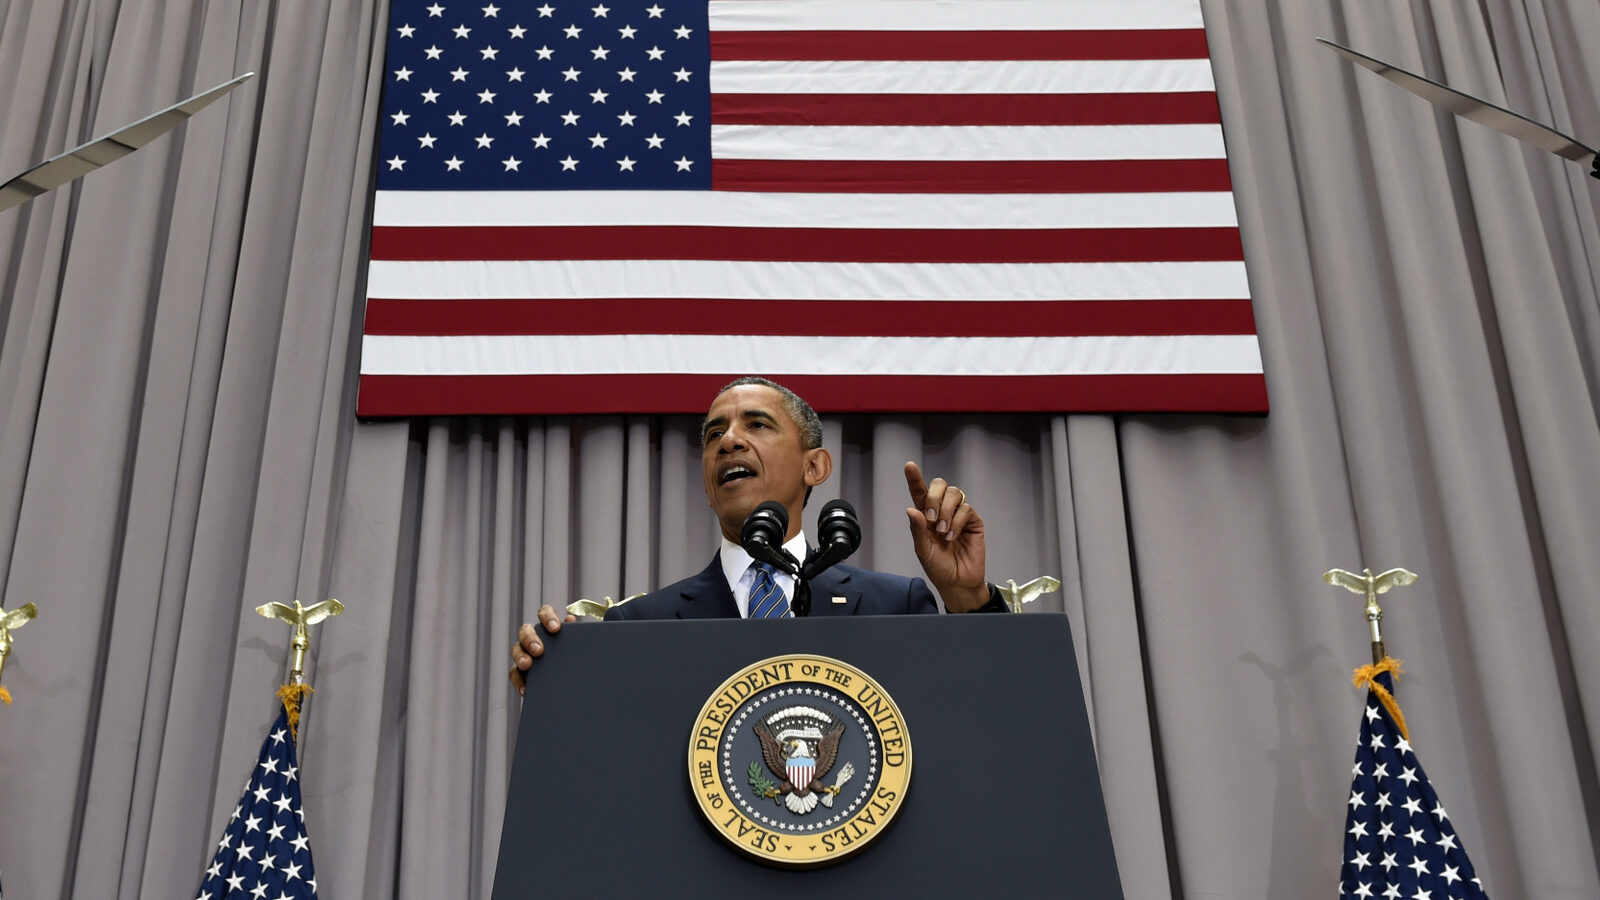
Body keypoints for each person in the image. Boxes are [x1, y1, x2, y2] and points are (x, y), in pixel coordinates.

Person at [509, 377, 1007, 694]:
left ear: (815, 466)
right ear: (707, 483)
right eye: (713, 435)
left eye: (757, 424)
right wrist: (558, 686)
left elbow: (983, 723)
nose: (728, 441)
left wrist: (968, 601)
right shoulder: (639, 627)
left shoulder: (894, 605)